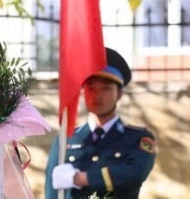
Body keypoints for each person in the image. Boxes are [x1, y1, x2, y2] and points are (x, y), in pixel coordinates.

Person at [45, 48, 156, 199]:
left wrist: (80, 178)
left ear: (119, 93)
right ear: (83, 92)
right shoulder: (65, 140)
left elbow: (134, 174)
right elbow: (52, 193)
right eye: (91, 88)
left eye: (106, 88)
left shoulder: (138, 139)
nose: (98, 95)